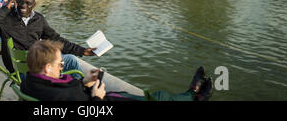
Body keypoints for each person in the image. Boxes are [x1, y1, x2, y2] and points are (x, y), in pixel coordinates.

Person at [20, 40, 213, 101]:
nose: (62, 67)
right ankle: (194, 95)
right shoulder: (56, 92)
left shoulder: (29, 81)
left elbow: (66, 92)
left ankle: (192, 94)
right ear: (47, 67)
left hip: (100, 96)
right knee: (159, 97)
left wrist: (84, 82)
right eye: (60, 64)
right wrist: (96, 95)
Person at [0, 0, 96, 75]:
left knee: (71, 59)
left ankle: (78, 91)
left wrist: (82, 51)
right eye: (20, 2)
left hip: (37, 62)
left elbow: (56, 39)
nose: (23, 6)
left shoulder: (38, 19)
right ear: (16, 1)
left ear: (34, 5)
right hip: (22, 70)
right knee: (70, 62)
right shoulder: (6, 18)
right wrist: (4, 9)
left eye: (28, 3)